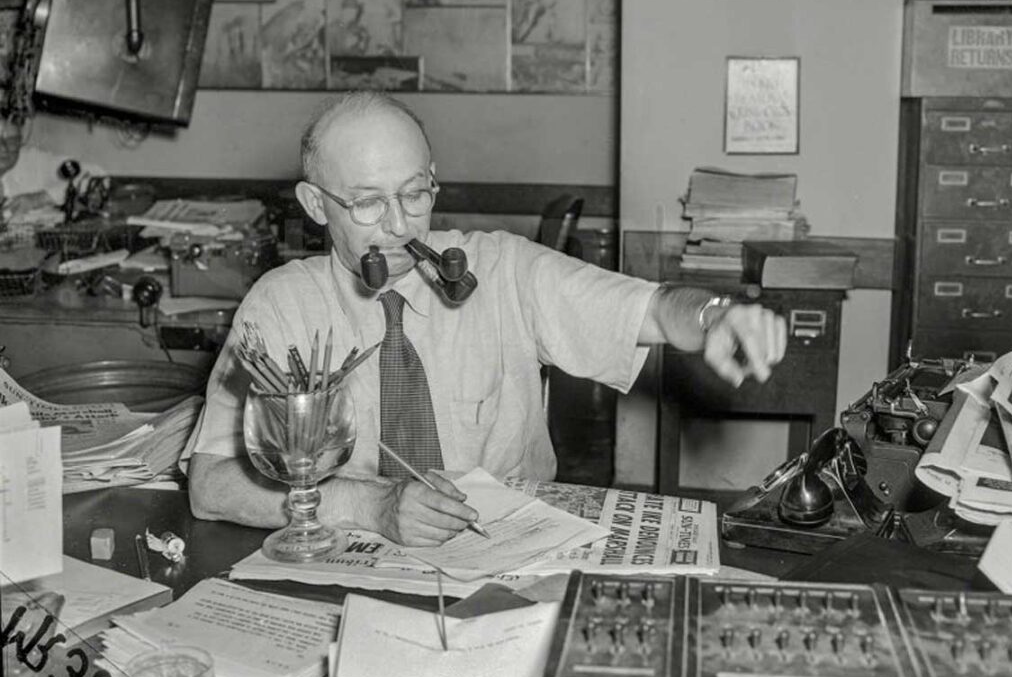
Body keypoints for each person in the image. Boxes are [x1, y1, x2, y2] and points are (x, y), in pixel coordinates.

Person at [188, 92, 787, 546]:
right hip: (349, 550)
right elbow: (211, 485)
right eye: (368, 202)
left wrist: (715, 314)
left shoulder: (502, 270)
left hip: (503, 550)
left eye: (414, 193)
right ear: (316, 205)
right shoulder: (281, 306)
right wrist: (367, 507)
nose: (399, 225)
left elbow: (652, 309)